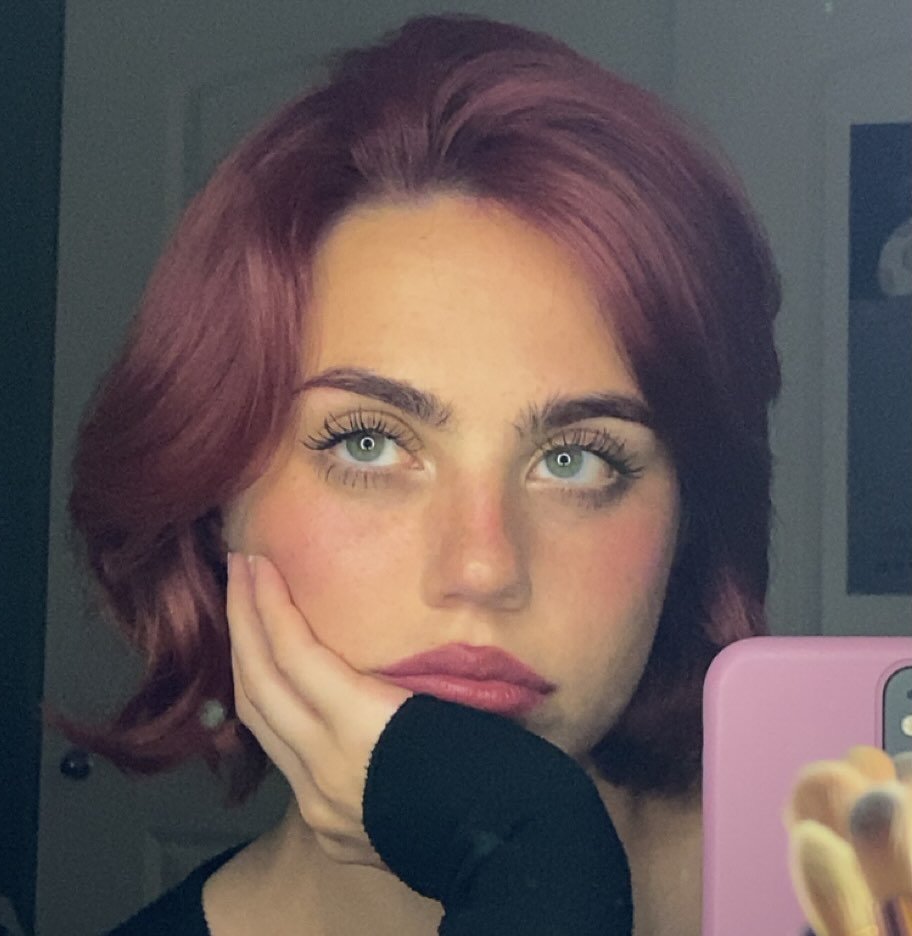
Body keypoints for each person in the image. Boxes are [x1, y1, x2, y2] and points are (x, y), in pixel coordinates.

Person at [48, 12, 782, 935]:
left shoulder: (862, 869)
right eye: (368, 444)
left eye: (575, 460)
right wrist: (535, 868)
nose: (482, 566)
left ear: (688, 523)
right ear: (213, 506)